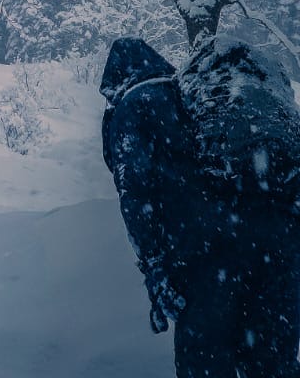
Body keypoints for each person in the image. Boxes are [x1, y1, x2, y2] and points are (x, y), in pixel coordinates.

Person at [101, 36, 300, 378]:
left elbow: (135, 192)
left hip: (208, 253)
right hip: (280, 236)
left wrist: (155, 268)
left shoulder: (134, 105)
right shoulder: (190, 94)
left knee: (206, 362)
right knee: (272, 361)